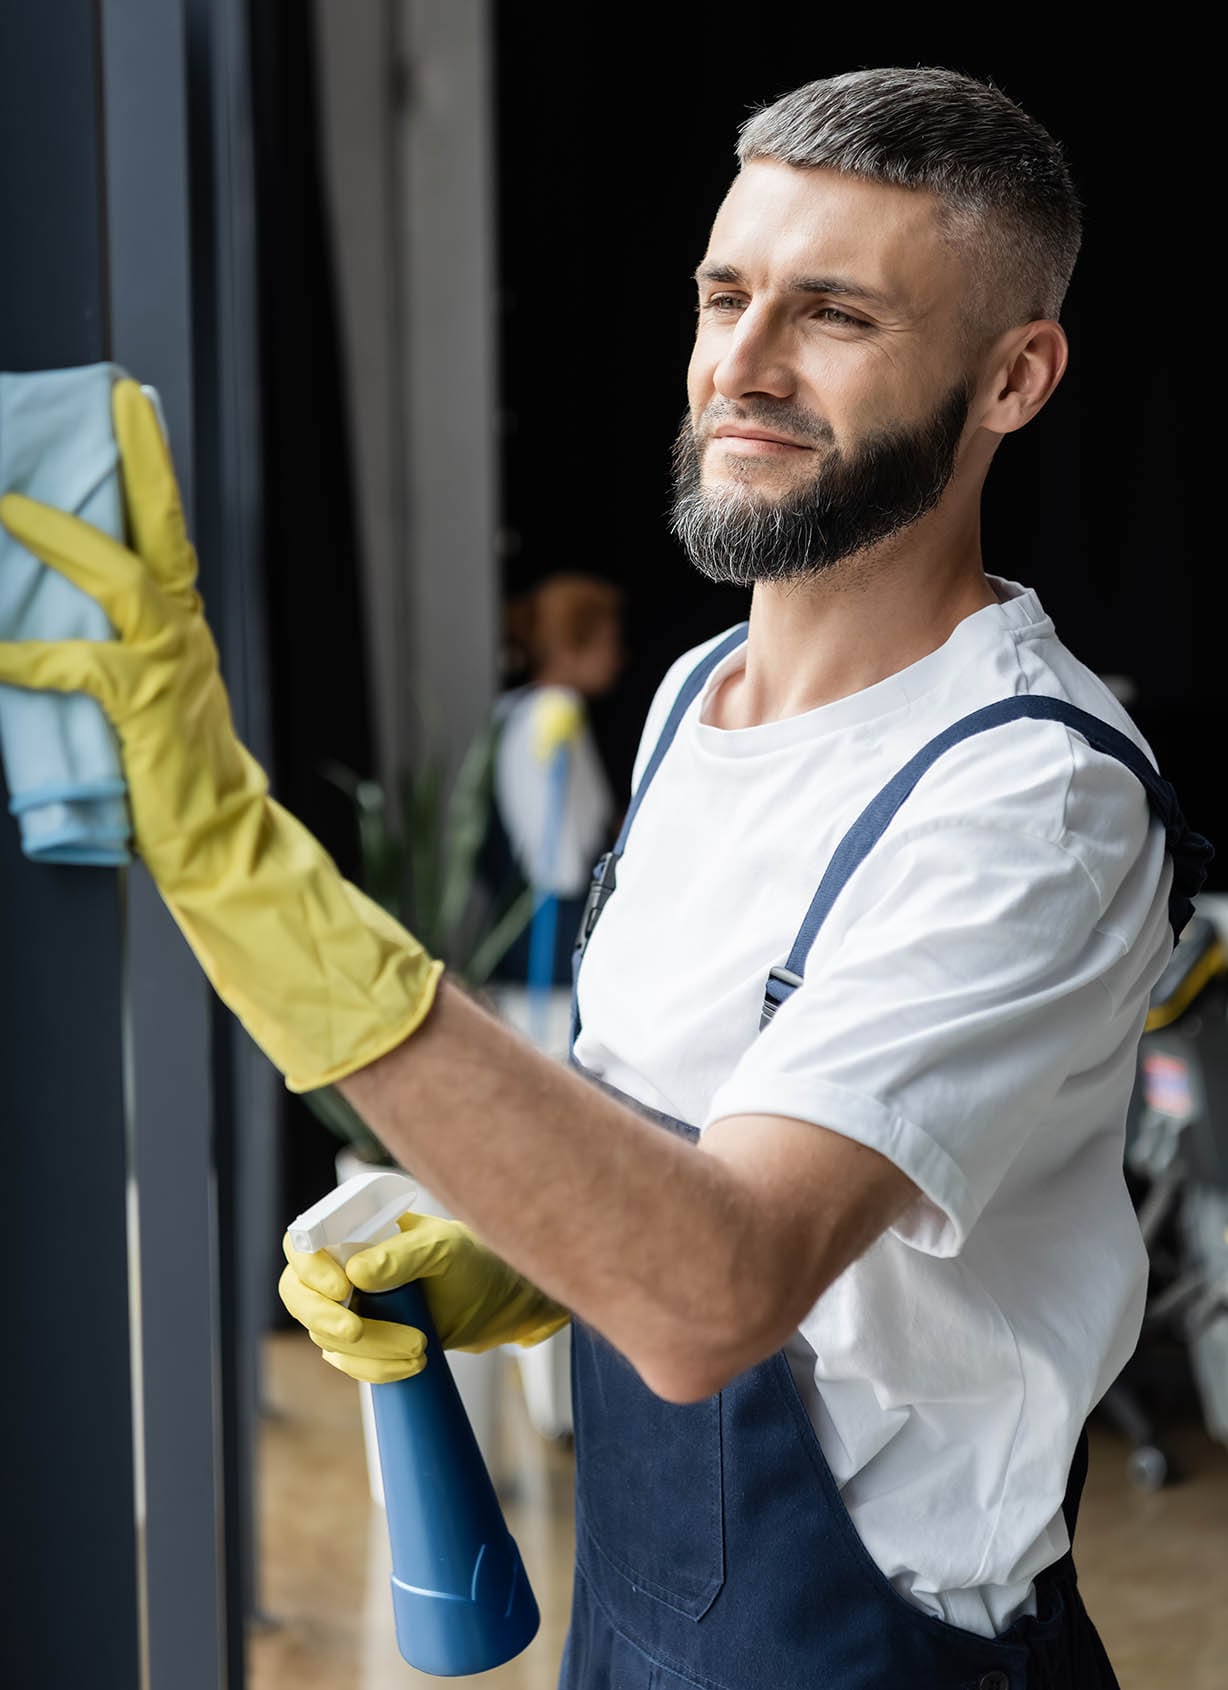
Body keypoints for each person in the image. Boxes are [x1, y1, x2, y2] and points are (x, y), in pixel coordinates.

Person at [0, 65, 1211, 1690]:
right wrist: (513, 1249)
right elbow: (680, 1156)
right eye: (726, 294)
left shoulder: (1025, 801)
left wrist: (225, 853)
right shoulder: (688, 702)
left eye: (833, 317)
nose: (742, 367)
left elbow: (717, 1291)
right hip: (634, 1632)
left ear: (1011, 377)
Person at [479, 571, 624, 996]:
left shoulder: (510, 711)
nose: (618, 657)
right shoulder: (557, 712)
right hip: (554, 935)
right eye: (609, 643)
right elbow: (563, 857)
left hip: (512, 923)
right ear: (571, 646)